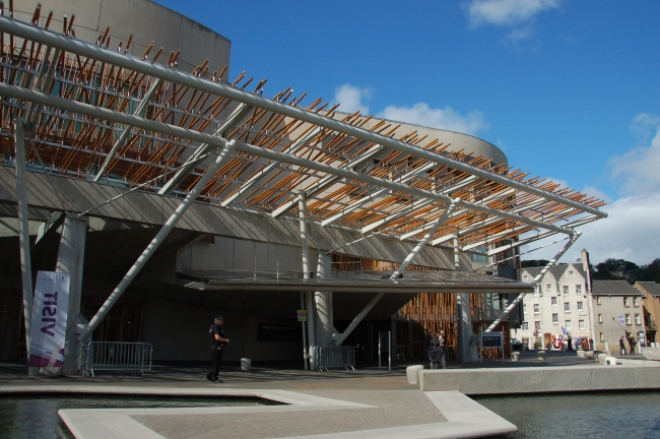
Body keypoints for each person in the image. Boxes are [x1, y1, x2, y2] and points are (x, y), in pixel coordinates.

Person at [207, 315, 230, 383]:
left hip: (214, 346)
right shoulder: (216, 327)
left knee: (215, 362)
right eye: (221, 320)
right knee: (217, 362)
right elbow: (217, 337)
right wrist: (225, 340)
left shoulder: (212, 327)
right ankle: (214, 377)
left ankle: (210, 375)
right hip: (217, 347)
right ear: (218, 321)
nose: (222, 322)